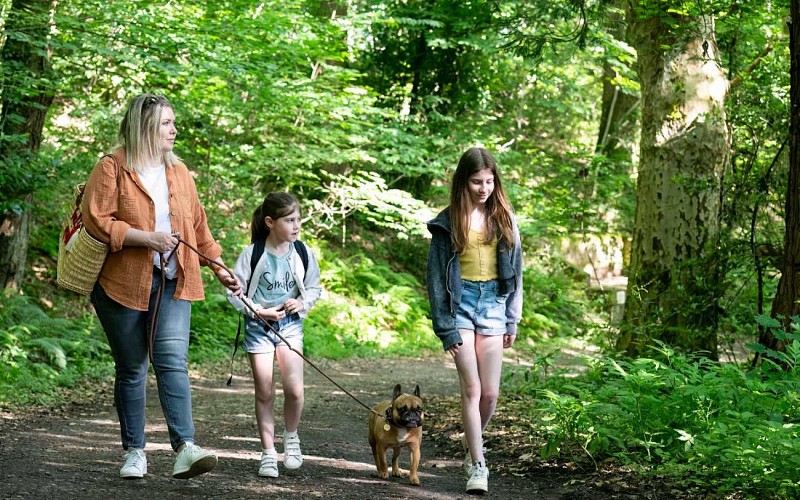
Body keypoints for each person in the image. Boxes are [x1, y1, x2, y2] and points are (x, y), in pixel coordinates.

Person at [82, 93, 242, 480]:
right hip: (120, 284)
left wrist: (218, 266)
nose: (174, 129)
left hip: (173, 279)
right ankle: (134, 452)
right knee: (133, 368)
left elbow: (198, 227)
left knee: (173, 363)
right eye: (167, 123)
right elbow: (96, 220)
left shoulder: (180, 172)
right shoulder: (112, 168)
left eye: (173, 122)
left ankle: (186, 447)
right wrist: (145, 238)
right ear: (145, 127)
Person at [426, 147, 523, 494]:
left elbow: (517, 274)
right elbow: (436, 279)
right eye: (476, 181)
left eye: (488, 181)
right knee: (472, 388)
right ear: (463, 182)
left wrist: (513, 319)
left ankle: (472, 445)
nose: (483, 188)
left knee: (491, 393)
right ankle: (478, 465)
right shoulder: (447, 221)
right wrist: (445, 327)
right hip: (460, 305)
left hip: (495, 304)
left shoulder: (505, 218)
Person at [226, 192, 322, 478]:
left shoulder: (303, 252)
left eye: (298, 220)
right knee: (265, 391)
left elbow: (314, 287)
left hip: (291, 326)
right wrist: (258, 311)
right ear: (270, 222)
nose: (296, 226)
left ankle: (290, 438)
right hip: (259, 328)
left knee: (294, 390)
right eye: (290, 220)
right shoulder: (252, 253)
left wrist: (301, 303)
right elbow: (234, 292)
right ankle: (268, 453)